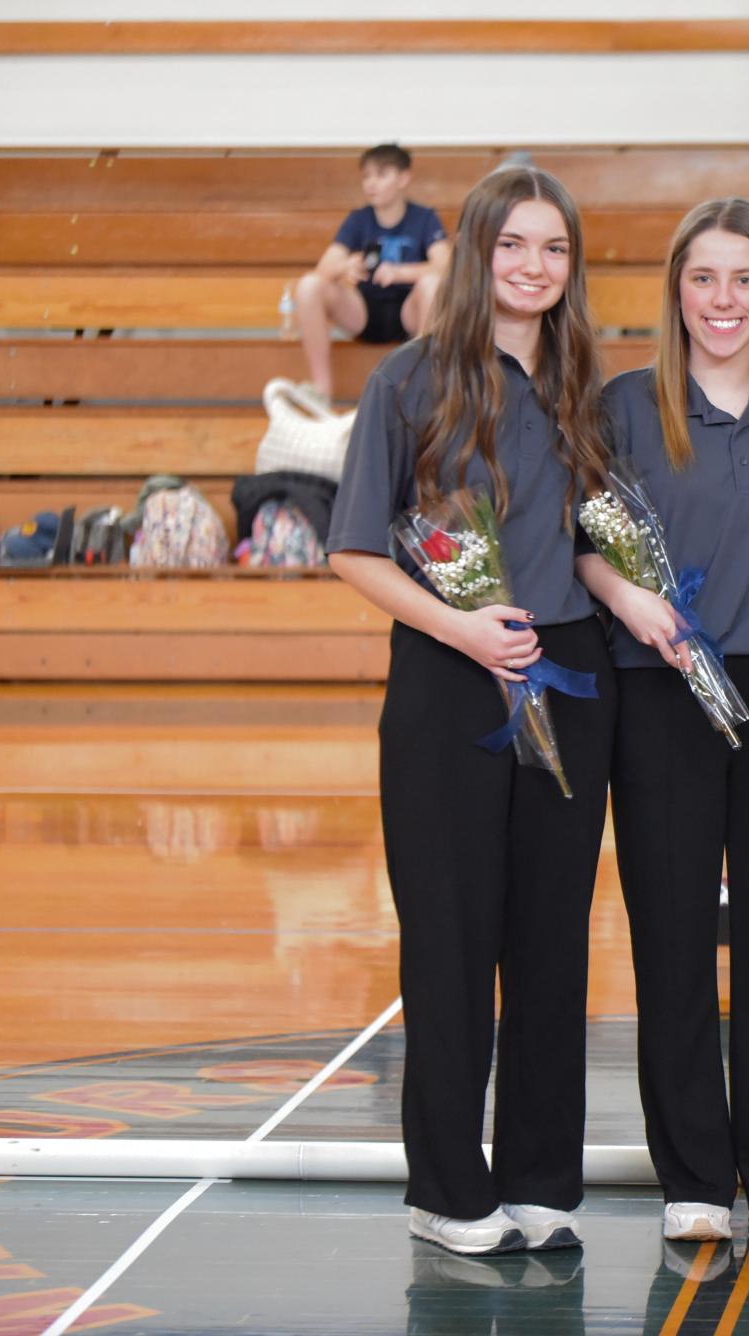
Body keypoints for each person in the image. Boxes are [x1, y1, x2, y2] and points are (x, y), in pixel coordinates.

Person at [325, 166, 615, 1256]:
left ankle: (542, 1180)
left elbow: (595, 547)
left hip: (574, 679)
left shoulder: (585, 386)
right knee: (451, 941)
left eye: (555, 249)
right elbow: (354, 550)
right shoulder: (407, 382)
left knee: (551, 940)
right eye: (515, 246)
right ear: (479, 253)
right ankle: (449, 1189)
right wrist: (465, 631)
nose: (536, 268)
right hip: (451, 681)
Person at [578, 198, 749, 1242]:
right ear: (676, 290)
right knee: (672, 933)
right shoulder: (626, 405)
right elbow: (583, 537)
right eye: (704, 279)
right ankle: (691, 1173)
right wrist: (630, 597)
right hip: (660, 688)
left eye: (745, 279)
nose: (723, 301)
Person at [296, 143, 452, 404]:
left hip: (410, 314)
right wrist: (345, 266)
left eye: (381, 175)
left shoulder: (425, 218)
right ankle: (321, 391)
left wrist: (399, 272)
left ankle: (425, 389)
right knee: (309, 285)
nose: (371, 183)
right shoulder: (358, 220)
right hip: (363, 311)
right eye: (367, 176)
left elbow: (445, 267)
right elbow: (323, 270)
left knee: (432, 284)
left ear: (403, 178)